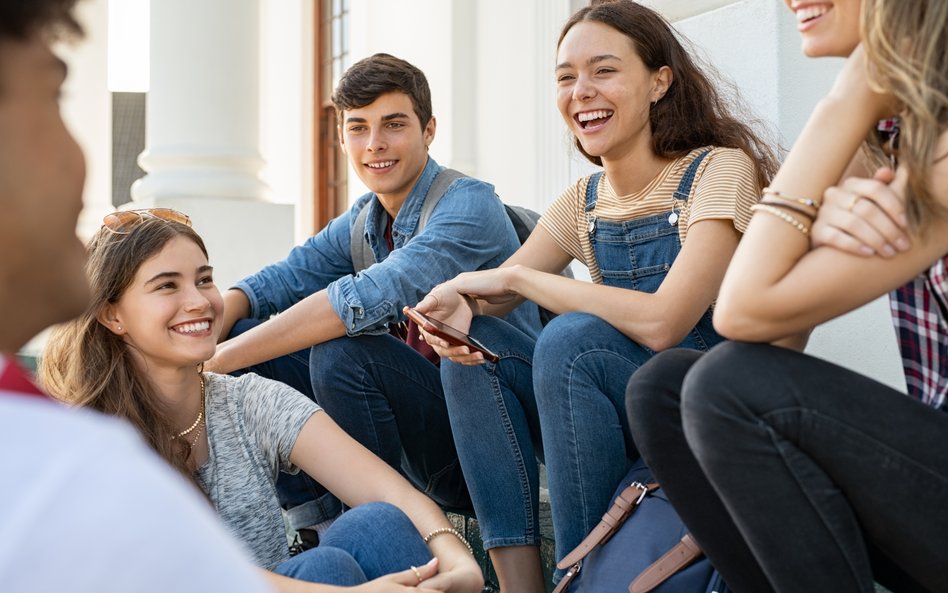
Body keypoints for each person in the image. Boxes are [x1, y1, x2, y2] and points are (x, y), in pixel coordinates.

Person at [411, 1, 779, 590]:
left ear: (660, 81)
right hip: (612, 413)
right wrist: (459, 305)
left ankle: (580, 579)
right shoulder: (582, 200)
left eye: (603, 70)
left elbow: (665, 323)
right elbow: (496, 292)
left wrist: (520, 281)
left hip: (701, 412)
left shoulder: (718, 171)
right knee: (473, 350)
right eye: (565, 77)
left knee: (573, 340)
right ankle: (521, 584)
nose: (581, 91)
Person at [625, 0, 948, 591]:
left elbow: (743, 310)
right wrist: (816, 223)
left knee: (725, 387)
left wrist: (847, 96)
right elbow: (767, 338)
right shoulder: (889, 138)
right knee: (664, 389)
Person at [39, 210, 485, 593]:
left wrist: (455, 553)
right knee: (324, 570)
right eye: (166, 286)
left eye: (204, 279)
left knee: (377, 524)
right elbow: (185, 573)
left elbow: (390, 490)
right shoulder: (94, 437)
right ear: (112, 315)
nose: (198, 301)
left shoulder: (245, 402)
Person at [204, 53, 541, 538]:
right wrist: (210, 342)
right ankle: (317, 524)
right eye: (357, 128)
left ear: (429, 130)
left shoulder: (468, 205)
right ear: (341, 137)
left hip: (487, 447)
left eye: (394, 124)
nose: (374, 144)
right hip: (413, 427)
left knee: (343, 354)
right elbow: (274, 283)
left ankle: (375, 531)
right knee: (246, 336)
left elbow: (359, 301)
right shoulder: (366, 219)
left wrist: (211, 364)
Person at [0, 1, 271, 591]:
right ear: (112, 315)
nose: (81, 160)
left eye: (203, 278)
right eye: (52, 99)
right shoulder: (67, 476)